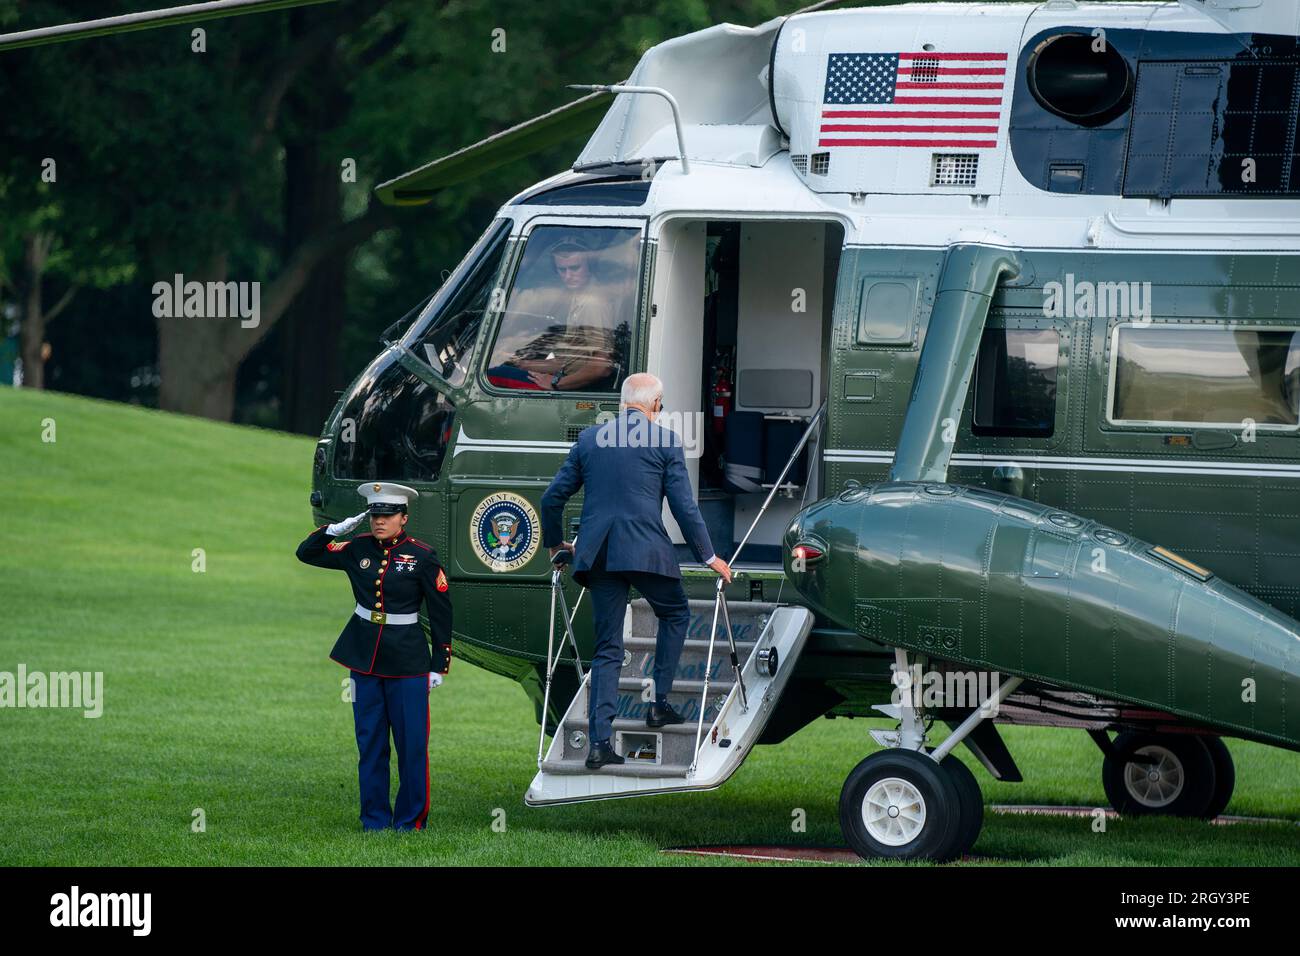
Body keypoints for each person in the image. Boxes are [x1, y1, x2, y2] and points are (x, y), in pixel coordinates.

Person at [541, 372, 733, 769]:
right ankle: (658, 704)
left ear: (622, 403)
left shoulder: (590, 439)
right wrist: (708, 556)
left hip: (598, 556)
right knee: (675, 613)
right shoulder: (665, 441)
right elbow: (684, 508)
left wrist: (556, 544)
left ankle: (598, 744)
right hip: (646, 553)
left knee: (607, 649)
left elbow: (551, 498)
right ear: (657, 405)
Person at [295, 482, 453, 831]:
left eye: (388, 515)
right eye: (375, 515)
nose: (379, 521)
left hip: (408, 663)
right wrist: (333, 531)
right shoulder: (357, 548)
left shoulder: (422, 556)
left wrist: (438, 664)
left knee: (411, 746)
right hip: (364, 658)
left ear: (403, 517)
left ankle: (411, 821)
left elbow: (441, 612)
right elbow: (306, 553)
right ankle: (375, 821)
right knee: (371, 743)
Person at [487, 236, 622, 392]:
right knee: (505, 366)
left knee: (490, 375)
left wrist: (556, 383)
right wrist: (520, 363)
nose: (568, 276)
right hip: (564, 376)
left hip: (572, 388)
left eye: (574, 268)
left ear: (590, 265)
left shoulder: (592, 303)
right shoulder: (579, 295)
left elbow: (601, 367)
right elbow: (569, 361)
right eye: (562, 270)